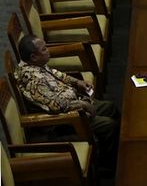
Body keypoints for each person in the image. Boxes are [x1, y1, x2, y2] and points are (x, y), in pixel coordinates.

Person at [14, 35, 120, 174]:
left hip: (75, 103)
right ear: (34, 57)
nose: (48, 50)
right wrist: (82, 104)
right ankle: (106, 165)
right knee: (108, 125)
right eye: (44, 49)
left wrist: (77, 82)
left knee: (109, 107)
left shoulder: (37, 64)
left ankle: (116, 151)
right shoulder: (33, 80)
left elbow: (57, 75)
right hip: (63, 121)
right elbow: (54, 105)